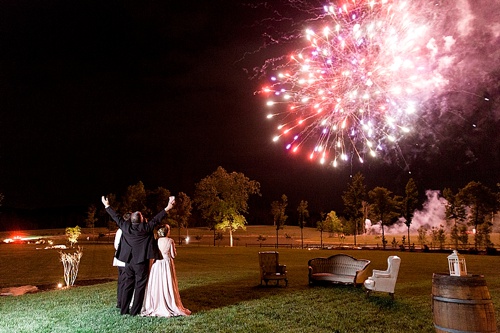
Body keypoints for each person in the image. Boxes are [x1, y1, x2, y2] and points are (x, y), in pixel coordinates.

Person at [101, 195, 175, 316]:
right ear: (141, 220)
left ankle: (124, 310)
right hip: (140, 262)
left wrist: (107, 205)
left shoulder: (125, 227)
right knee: (139, 286)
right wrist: (167, 208)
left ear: (130, 220)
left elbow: (116, 217)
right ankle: (134, 312)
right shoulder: (145, 228)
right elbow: (156, 219)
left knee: (127, 285)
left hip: (128, 262)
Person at [141, 224, 191, 317]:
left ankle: (156, 302)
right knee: (167, 282)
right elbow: (173, 254)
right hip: (166, 264)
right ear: (167, 231)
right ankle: (169, 300)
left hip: (157, 264)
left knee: (157, 283)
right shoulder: (170, 241)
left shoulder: (155, 241)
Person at [113, 227, 126, 309]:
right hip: (124, 259)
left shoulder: (119, 230)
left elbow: (116, 245)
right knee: (124, 281)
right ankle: (122, 302)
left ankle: (120, 301)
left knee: (121, 281)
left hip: (119, 259)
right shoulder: (125, 230)